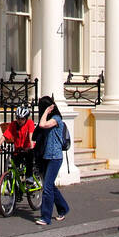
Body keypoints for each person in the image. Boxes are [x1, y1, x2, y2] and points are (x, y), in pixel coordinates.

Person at [34, 96, 70, 226]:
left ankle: (45, 217)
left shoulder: (56, 119)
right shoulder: (50, 118)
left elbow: (42, 124)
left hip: (55, 157)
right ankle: (63, 208)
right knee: (51, 186)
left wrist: (46, 111)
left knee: (47, 187)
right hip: (46, 156)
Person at [0, 105, 36, 180]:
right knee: (13, 166)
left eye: (22, 119)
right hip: (18, 149)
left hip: (28, 148)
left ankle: (29, 177)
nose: (19, 121)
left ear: (26, 118)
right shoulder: (13, 124)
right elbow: (5, 135)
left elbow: (31, 136)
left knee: (29, 159)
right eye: (18, 118)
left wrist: (31, 147)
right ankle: (16, 187)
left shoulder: (30, 123)